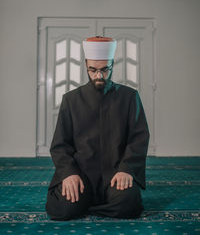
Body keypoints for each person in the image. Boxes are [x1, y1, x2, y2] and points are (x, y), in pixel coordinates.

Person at [46, 36, 150, 220]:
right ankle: (95, 204)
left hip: (116, 174)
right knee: (61, 209)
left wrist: (126, 169)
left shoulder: (129, 97)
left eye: (104, 70)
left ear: (112, 65)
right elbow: (60, 145)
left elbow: (139, 138)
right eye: (93, 70)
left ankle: (87, 206)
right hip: (81, 174)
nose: (99, 76)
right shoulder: (71, 100)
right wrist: (69, 173)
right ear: (86, 65)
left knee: (129, 206)